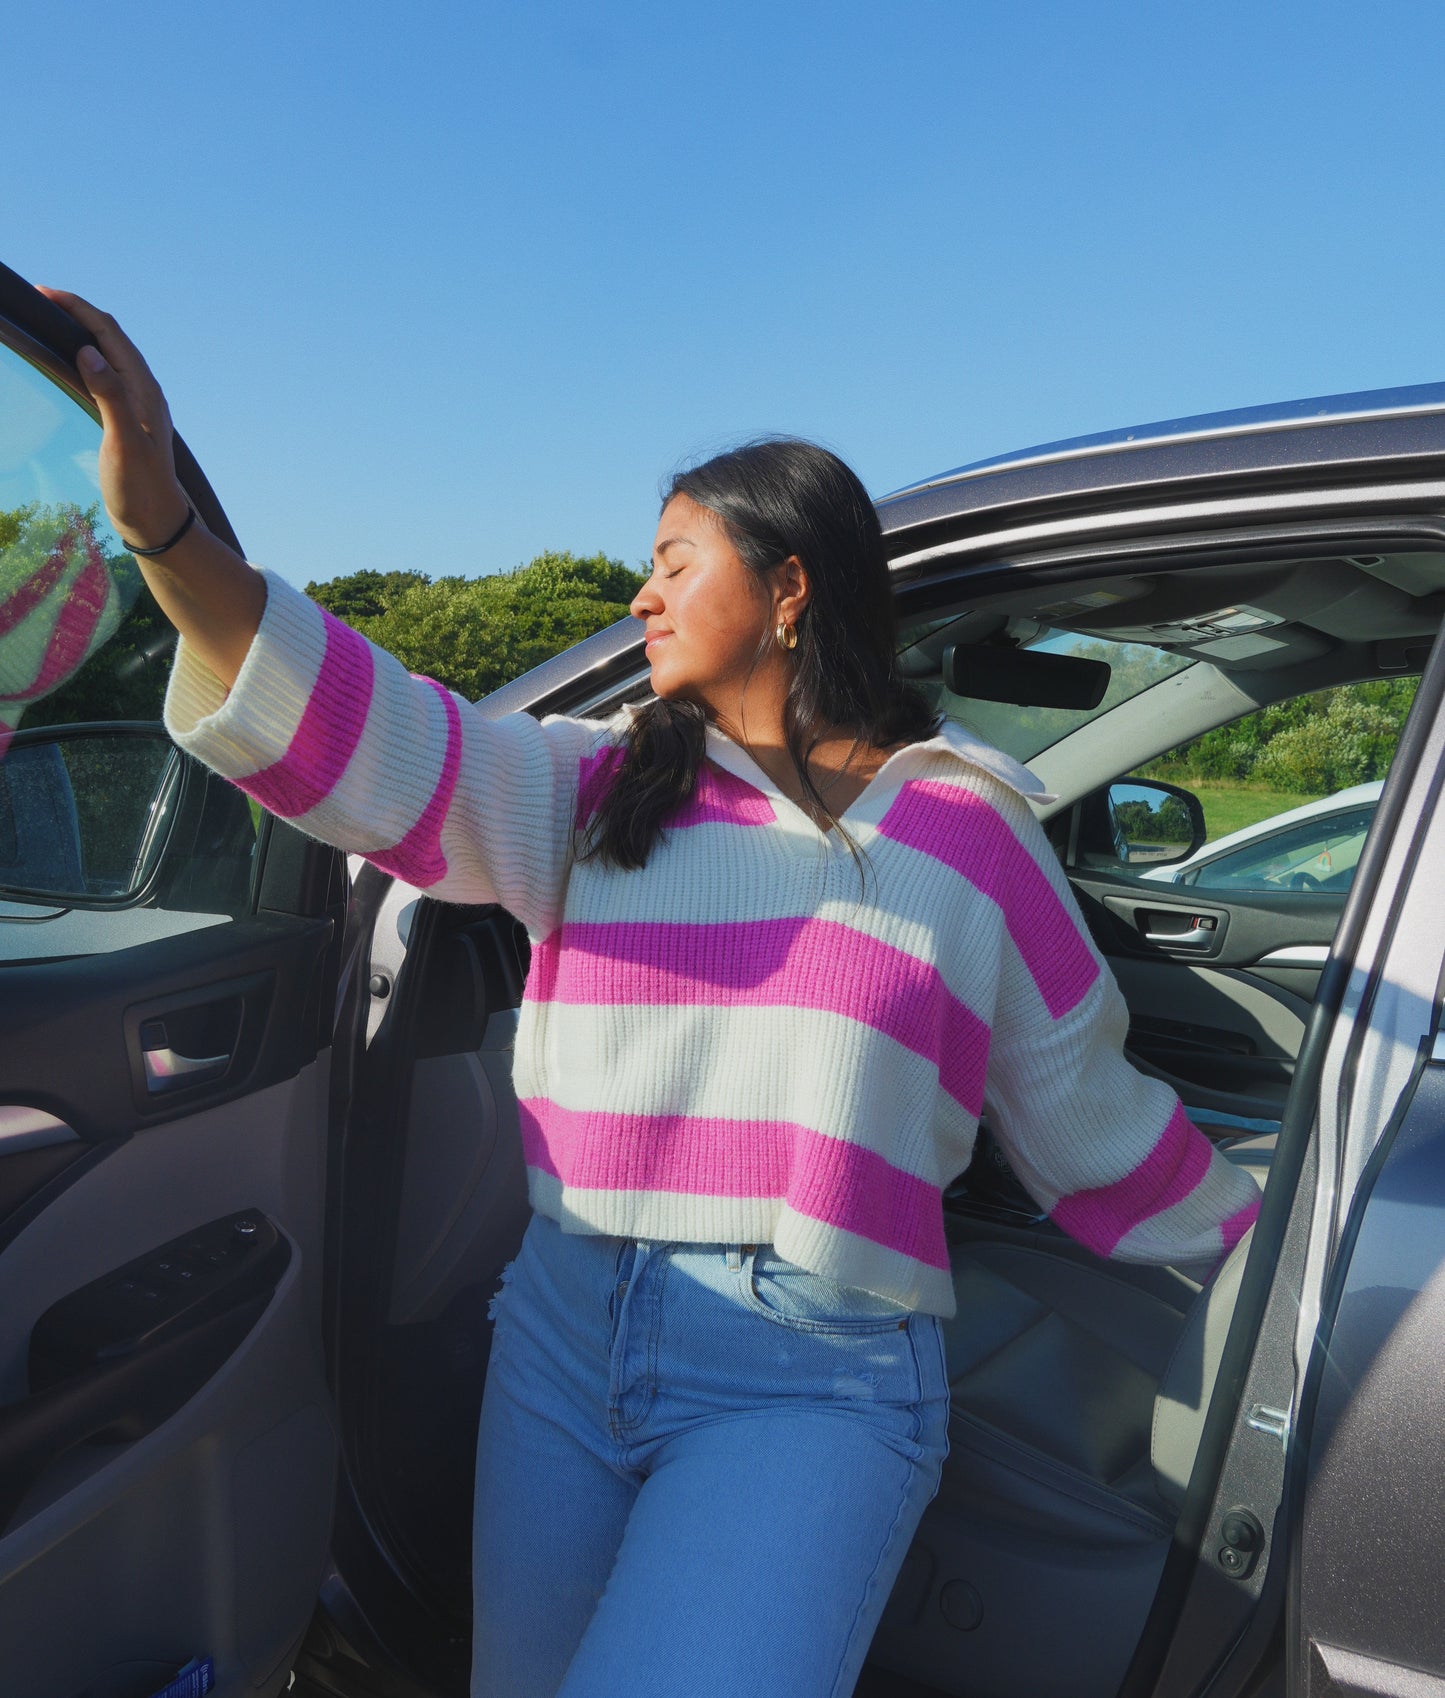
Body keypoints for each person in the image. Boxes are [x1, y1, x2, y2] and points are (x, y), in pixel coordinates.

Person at [46, 289, 1261, 1698]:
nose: (638, 597)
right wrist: (163, 534)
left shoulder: (967, 834)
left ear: (788, 586)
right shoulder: (600, 785)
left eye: (675, 562)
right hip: (557, 1330)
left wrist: (1295, 1245)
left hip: (813, 1379)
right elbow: (365, 724)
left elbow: (1092, 1128)